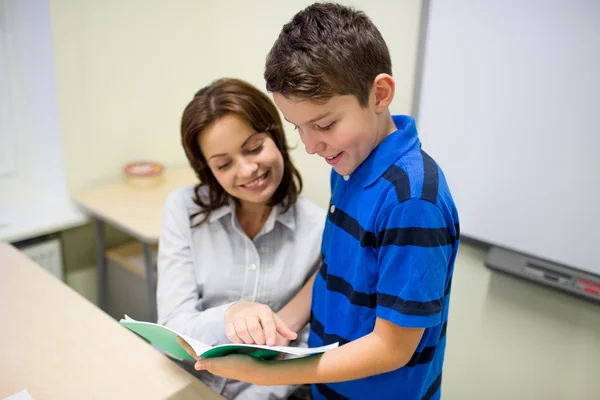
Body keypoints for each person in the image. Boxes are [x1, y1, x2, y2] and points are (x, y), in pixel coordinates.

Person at [182, 3, 460, 400]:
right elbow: (333, 271)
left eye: (325, 125)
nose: (311, 146)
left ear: (379, 94)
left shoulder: (412, 201)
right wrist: (278, 331)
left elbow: (392, 348)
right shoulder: (351, 168)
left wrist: (268, 375)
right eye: (299, 128)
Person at [157, 77, 325, 399]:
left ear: (275, 136)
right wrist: (229, 315)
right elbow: (173, 327)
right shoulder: (183, 209)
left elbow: (300, 349)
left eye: (255, 148)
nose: (247, 169)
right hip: (178, 383)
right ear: (208, 170)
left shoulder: (318, 231)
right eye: (224, 164)